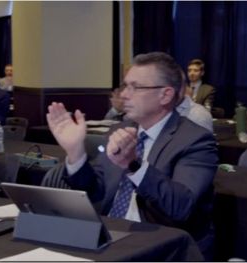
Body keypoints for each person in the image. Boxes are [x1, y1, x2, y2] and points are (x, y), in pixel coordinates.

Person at [46, 52, 218, 259]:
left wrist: (133, 165)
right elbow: (96, 191)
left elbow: (181, 207)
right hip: (110, 236)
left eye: (135, 87)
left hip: (161, 245)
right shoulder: (120, 130)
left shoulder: (195, 139)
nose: (124, 95)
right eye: (125, 86)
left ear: (165, 95)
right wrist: (76, 153)